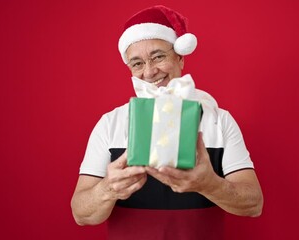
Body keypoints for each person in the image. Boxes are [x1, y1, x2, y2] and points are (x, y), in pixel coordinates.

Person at [71, 5, 263, 240]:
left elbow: (254, 204)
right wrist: (109, 188)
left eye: (158, 57)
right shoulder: (109, 124)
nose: (150, 72)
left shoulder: (218, 120)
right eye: (137, 63)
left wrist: (209, 184)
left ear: (180, 57)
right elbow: (81, 214)